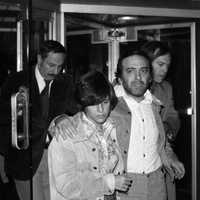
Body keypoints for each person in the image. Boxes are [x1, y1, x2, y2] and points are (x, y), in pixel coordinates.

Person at [0, 40, 78, 200]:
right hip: (25, 159)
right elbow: (3, 121)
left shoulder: (66, 83)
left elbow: (74, 111)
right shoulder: (17, 81)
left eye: (60, 66)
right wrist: (2, 158)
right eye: (51, 65)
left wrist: (62, 117)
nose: (56, 71)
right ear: (39, 59)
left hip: (57, 158)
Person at [111, 50, 185, 200]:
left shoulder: (154, 104)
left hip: (157, 181)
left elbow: (158, 141)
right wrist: (59, 120)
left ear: (150, 77)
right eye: (130, 71)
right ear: (119, 78)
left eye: (143, 71)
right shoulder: (108, 105)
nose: (138, 77)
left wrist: (170, 157)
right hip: (125, 183)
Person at [48, 70, 132, 200]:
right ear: (84, 103)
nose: (100, 110)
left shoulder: (113, 127)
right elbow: (67, 186)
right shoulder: (67, 134)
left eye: (105, 102)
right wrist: (110, 183)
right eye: (93, 103)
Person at [141, 41, 180, 200]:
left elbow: (172, 115)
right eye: (160, 64)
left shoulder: (166, 88)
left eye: (167, 65)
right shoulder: (129, 88)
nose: (165, 70)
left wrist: (167, 129)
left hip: (162, 158)